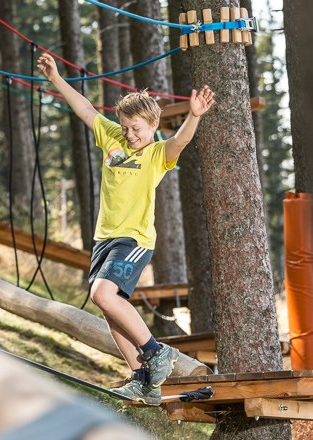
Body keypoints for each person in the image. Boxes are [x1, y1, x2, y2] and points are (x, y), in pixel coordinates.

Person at [37, 52, 215, 405]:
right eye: (126, 128)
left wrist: (193, 117)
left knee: (102, 294)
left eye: (138, 129)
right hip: (104, 238)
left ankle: (155, 352)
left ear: (152, 126)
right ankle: (145, 382)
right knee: (108, 305)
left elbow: (179, 142)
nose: (131, 135)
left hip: (133, 238)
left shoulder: (156, 155)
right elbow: (86, 110)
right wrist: (57, 80)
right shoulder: (113, 138)